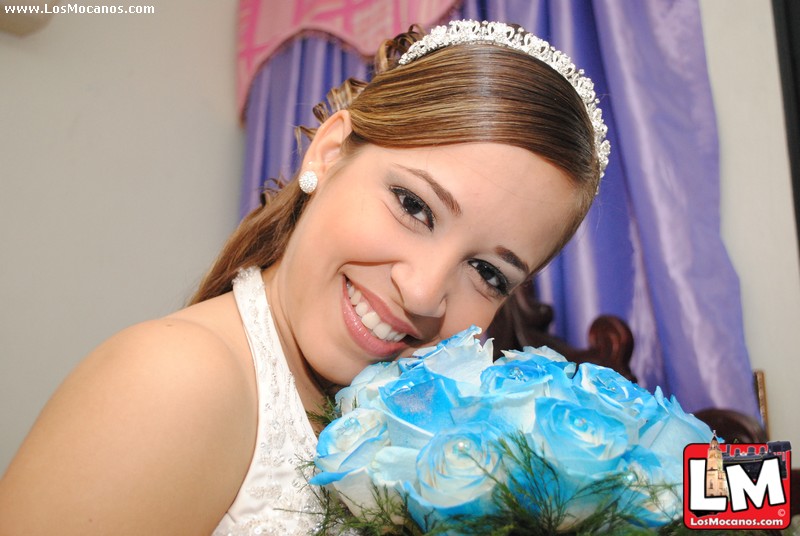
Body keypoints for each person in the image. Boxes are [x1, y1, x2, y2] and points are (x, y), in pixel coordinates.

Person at [0, 19, 609, 535]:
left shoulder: (413, 425)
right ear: (330, 154)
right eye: (414, 206)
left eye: (487, 272)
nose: (423, 292)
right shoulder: (176, 382)